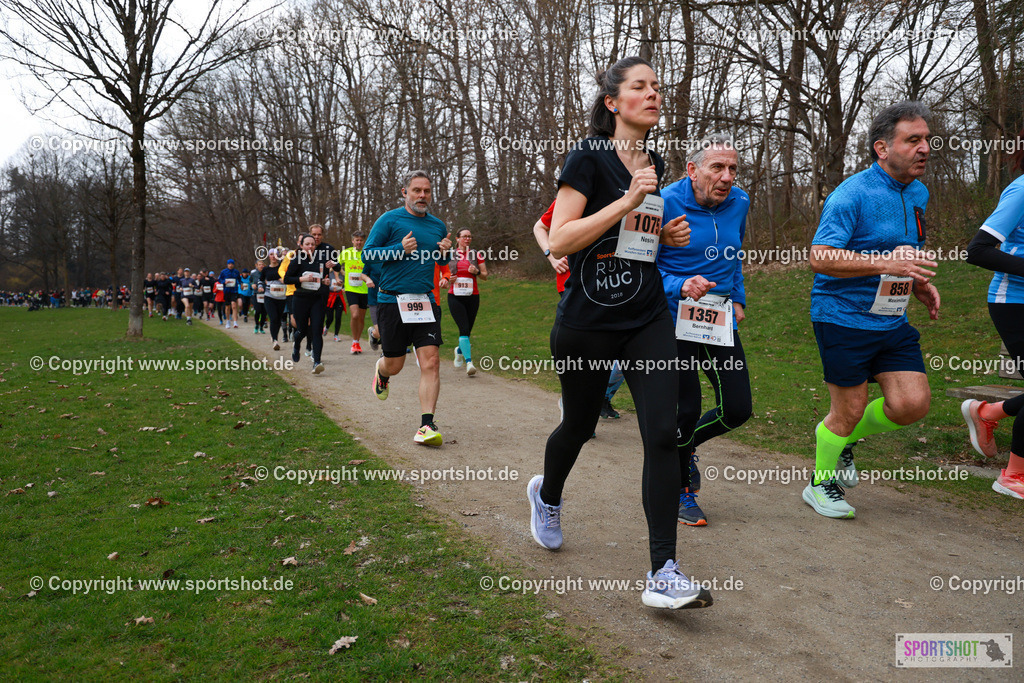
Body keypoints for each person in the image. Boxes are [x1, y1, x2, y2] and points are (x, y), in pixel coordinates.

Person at [526, 56, 710, 610]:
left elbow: (633, 243)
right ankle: (548, 494)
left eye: (657, 85)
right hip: (588, 321)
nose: (654, 93)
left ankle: (663, 570)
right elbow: (560, 240)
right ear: (613, 102)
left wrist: (665, 237)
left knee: (662, 432)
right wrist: (628, 200)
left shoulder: (654, 160)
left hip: (647, 315)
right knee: (578, 426)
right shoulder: (586, 157)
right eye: (640, 86)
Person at [806, 101, 940, 519]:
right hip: (841, 315)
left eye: (926, 140)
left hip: (890, 316)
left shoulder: (919, 192)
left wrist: (917, 283)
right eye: (912, 140)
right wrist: (885, 264)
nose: (924, 149)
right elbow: (819, 257)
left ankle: (839, 441)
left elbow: (904, 252)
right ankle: (819, 483)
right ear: (882, 148)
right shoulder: (852, 194)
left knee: (911, 404)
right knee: (848, 410)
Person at [657, 133, 753, 527]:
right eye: (718, 167)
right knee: (687, 407)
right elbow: (639, 263)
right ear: (693, 170)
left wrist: (740, 298)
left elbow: (735, 254)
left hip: (717, 315)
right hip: (669, 317)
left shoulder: (740, 202)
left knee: (738, 408)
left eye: (732, 168)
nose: (727, 176)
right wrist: (678, 284)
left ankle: (685, 447)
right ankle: (680, 490)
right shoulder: (663, 202)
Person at [363, 170, 453, 446]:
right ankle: (382, 369)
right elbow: (367, 253)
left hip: (425, 301)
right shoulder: (389, 220)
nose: (422, 196)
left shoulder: (438, 226)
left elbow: (439, 258)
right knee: (395, 364)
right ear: (405, 192)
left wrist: (445, 252)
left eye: (426, 191)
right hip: (392, 301)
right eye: (416, 190)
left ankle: (427, 425)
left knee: (431, 362)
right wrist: (398, 249)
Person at [962, 131, 1024, 500]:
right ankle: (1013, 476)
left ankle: (989, 412)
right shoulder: (1020, 191)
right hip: (1014, 303)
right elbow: (978, 250)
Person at [534, 200, 626, 423]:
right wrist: (551, 255)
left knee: (624, 354)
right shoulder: (574, 196)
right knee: (586, 350)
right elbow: (539, 227)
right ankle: (574, 405)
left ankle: (599, 397)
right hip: (574, 282)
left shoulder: (623, 194)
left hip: (614, 282)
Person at [283, 233, 336, 374]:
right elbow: (287, 279)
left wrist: (326, 279)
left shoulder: (321, 258)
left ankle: (317, 362)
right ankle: (297, 341)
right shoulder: (296, 260)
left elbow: (331, 271)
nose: (310, 246)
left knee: (317, 329)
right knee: (302, 330)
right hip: (300, 299)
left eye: (312, 244)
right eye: (307, 244)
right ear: (301, 245)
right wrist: (302, 279)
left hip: (317, 299)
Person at [448, 229, 488, 376]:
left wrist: (476, 272)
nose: (467, 239)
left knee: (467, 331)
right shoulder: (450, 255)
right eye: (464, 236)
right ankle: (469, 362)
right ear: (457, 239)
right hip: (455, 297)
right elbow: (443, 274)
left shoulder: (476, 254)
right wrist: (448, 279)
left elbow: (485, 276)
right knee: (463, 328)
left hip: (472, 296)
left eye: (470, 236)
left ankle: (459, 350)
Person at [340, 231, 369, 354]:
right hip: (351, 289)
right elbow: (335, 265)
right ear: (352, 241)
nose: (359, 242)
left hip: (365, 290)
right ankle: (354, 341)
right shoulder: (346, 253)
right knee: (355, 315)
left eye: (361, 240)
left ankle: (357, 341)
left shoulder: (367, 254)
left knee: (361, 318)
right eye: (356, 240)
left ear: (364, 241)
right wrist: (341, 276)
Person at [262, 250, 288, 350]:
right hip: (269, 296)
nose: (273, 256)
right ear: (269, 256)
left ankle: (274, 336)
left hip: (281, 297)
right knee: (273, 318)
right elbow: (261, 279)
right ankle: (275, 340)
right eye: (271, 254)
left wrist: (283, 279)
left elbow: (287, 278)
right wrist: (260, 286)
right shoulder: (266, 269)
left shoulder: (282, 267)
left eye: (275, 254)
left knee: (278, 319)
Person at [218, 258, 241, 328]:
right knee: (227, 307)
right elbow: (219, 279)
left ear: (233, 265)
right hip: (227, 291)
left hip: (234, 290)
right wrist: (224, 282)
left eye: (232, 264)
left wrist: (241, 284)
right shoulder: (223, 272)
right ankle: (228, 321)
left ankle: (235, 322)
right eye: (229, 264)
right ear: (227, 265)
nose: (230, 265)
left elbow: (239, 280)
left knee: (234, 305)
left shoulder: (236, 272)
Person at [250, 260, 266, 334]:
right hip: (256, 294)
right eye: (259, 264)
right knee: (258, 310)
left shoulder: (266, 273)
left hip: (265, 294)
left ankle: (261, 327)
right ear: (256, 265)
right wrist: (252, 285)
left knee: (264, 312)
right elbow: (250, 281)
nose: (261, 266)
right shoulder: (253, 274)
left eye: (262, 264)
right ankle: (256, 324)